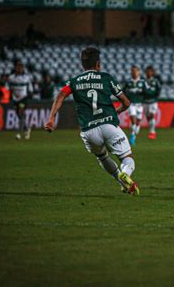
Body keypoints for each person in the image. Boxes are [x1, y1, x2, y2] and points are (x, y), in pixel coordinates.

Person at [44, 47, 139, 195]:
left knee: (102, 156)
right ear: (98, 64)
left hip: (88, 131)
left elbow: (60, 96)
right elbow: (126, 102)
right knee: (127, 158)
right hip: (108, 125)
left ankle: (122, 182)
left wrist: (51, 118)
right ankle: (125, 174)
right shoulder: (106, 78)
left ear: (82, 64)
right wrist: (116, 111)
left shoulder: (74, 82)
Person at [122, 65, 147, 146]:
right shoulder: (128, 82)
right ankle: (132, 137)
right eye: (133, 71)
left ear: (139, 72)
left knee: (138, 123)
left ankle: (134, 135)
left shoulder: (143, 82)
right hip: (131, 104)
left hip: (140, 105)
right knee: (133, 120)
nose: (134, 72)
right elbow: (122, 92)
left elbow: (147, 92)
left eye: (136, 71)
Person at [9, 60, 33, 140]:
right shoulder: (11, 77)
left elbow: (30, 88)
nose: (19, 69)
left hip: (23, 98)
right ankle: (26, 128)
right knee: (19, 115)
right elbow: (9, 88)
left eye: (21, 67)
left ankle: (19, 133)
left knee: (21, 112)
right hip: (15, 98)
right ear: (15, 68)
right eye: (18, 67)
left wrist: (30, 93)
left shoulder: (26, 78)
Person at [143, 66, 162, 140]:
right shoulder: (143, 81)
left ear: (152, 72)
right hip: (145, 102)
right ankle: (151, 130)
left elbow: (159, 89)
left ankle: (152, 132)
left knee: (151, 115)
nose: (148, 73)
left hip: (153, 102)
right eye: (147, 71)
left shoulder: (155, 81)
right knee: (148, 118)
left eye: (150, 71)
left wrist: (156, 98)